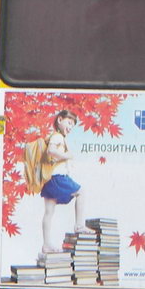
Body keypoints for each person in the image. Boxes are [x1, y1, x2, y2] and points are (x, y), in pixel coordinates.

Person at [39, 109, 92, 265]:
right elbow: (51, 151)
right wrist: (67, 156)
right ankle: (79, 225)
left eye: (72, 125)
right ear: (60, 119)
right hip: (58, 177)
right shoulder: (57, 137)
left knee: (49, 212)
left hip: (48, 178)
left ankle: (46, 243)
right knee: (81, 192)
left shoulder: (53, 136)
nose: (70, 127)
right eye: (69, 123)